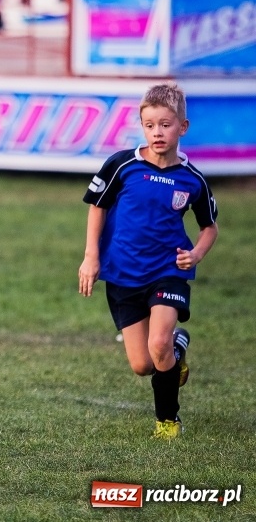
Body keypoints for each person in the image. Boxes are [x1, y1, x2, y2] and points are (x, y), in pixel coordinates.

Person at [78, 82, 218, 440]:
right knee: (143, 364)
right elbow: (98, 207)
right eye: (150, 124)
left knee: (158, 345)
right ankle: (179, 345)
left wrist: (196, 254)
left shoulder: (193, 179)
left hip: (167, 272)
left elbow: (209, 227)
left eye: (166, 124)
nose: (158, 132)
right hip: (123, 274)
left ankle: (168, 421)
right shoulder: (122, 165)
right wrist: (91, 257)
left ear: (182, 127)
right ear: (142, 126)